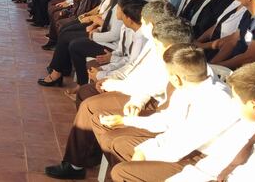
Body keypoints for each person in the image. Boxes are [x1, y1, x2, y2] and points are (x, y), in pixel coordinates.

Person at [44, 18, 193, 180]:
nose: (154, 46)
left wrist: (115, 88)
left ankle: (85, 162)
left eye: (157, 44)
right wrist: (136, 99)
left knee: (92, 109)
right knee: (89, 102)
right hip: (143, 98)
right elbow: (140, 75)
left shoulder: (184, 67)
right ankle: (82, 158)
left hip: (156, 109)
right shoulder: (159, 49)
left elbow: (154, 89)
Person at [105, 44, 238, 182]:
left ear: (175, 79)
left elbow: (180, 145)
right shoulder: (188, 87)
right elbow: (168, 120)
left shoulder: (218, 100)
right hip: (183, 145)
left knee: (123, 173)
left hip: (207, 161)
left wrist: (144, 152)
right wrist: (125, 121)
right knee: (117, 143)